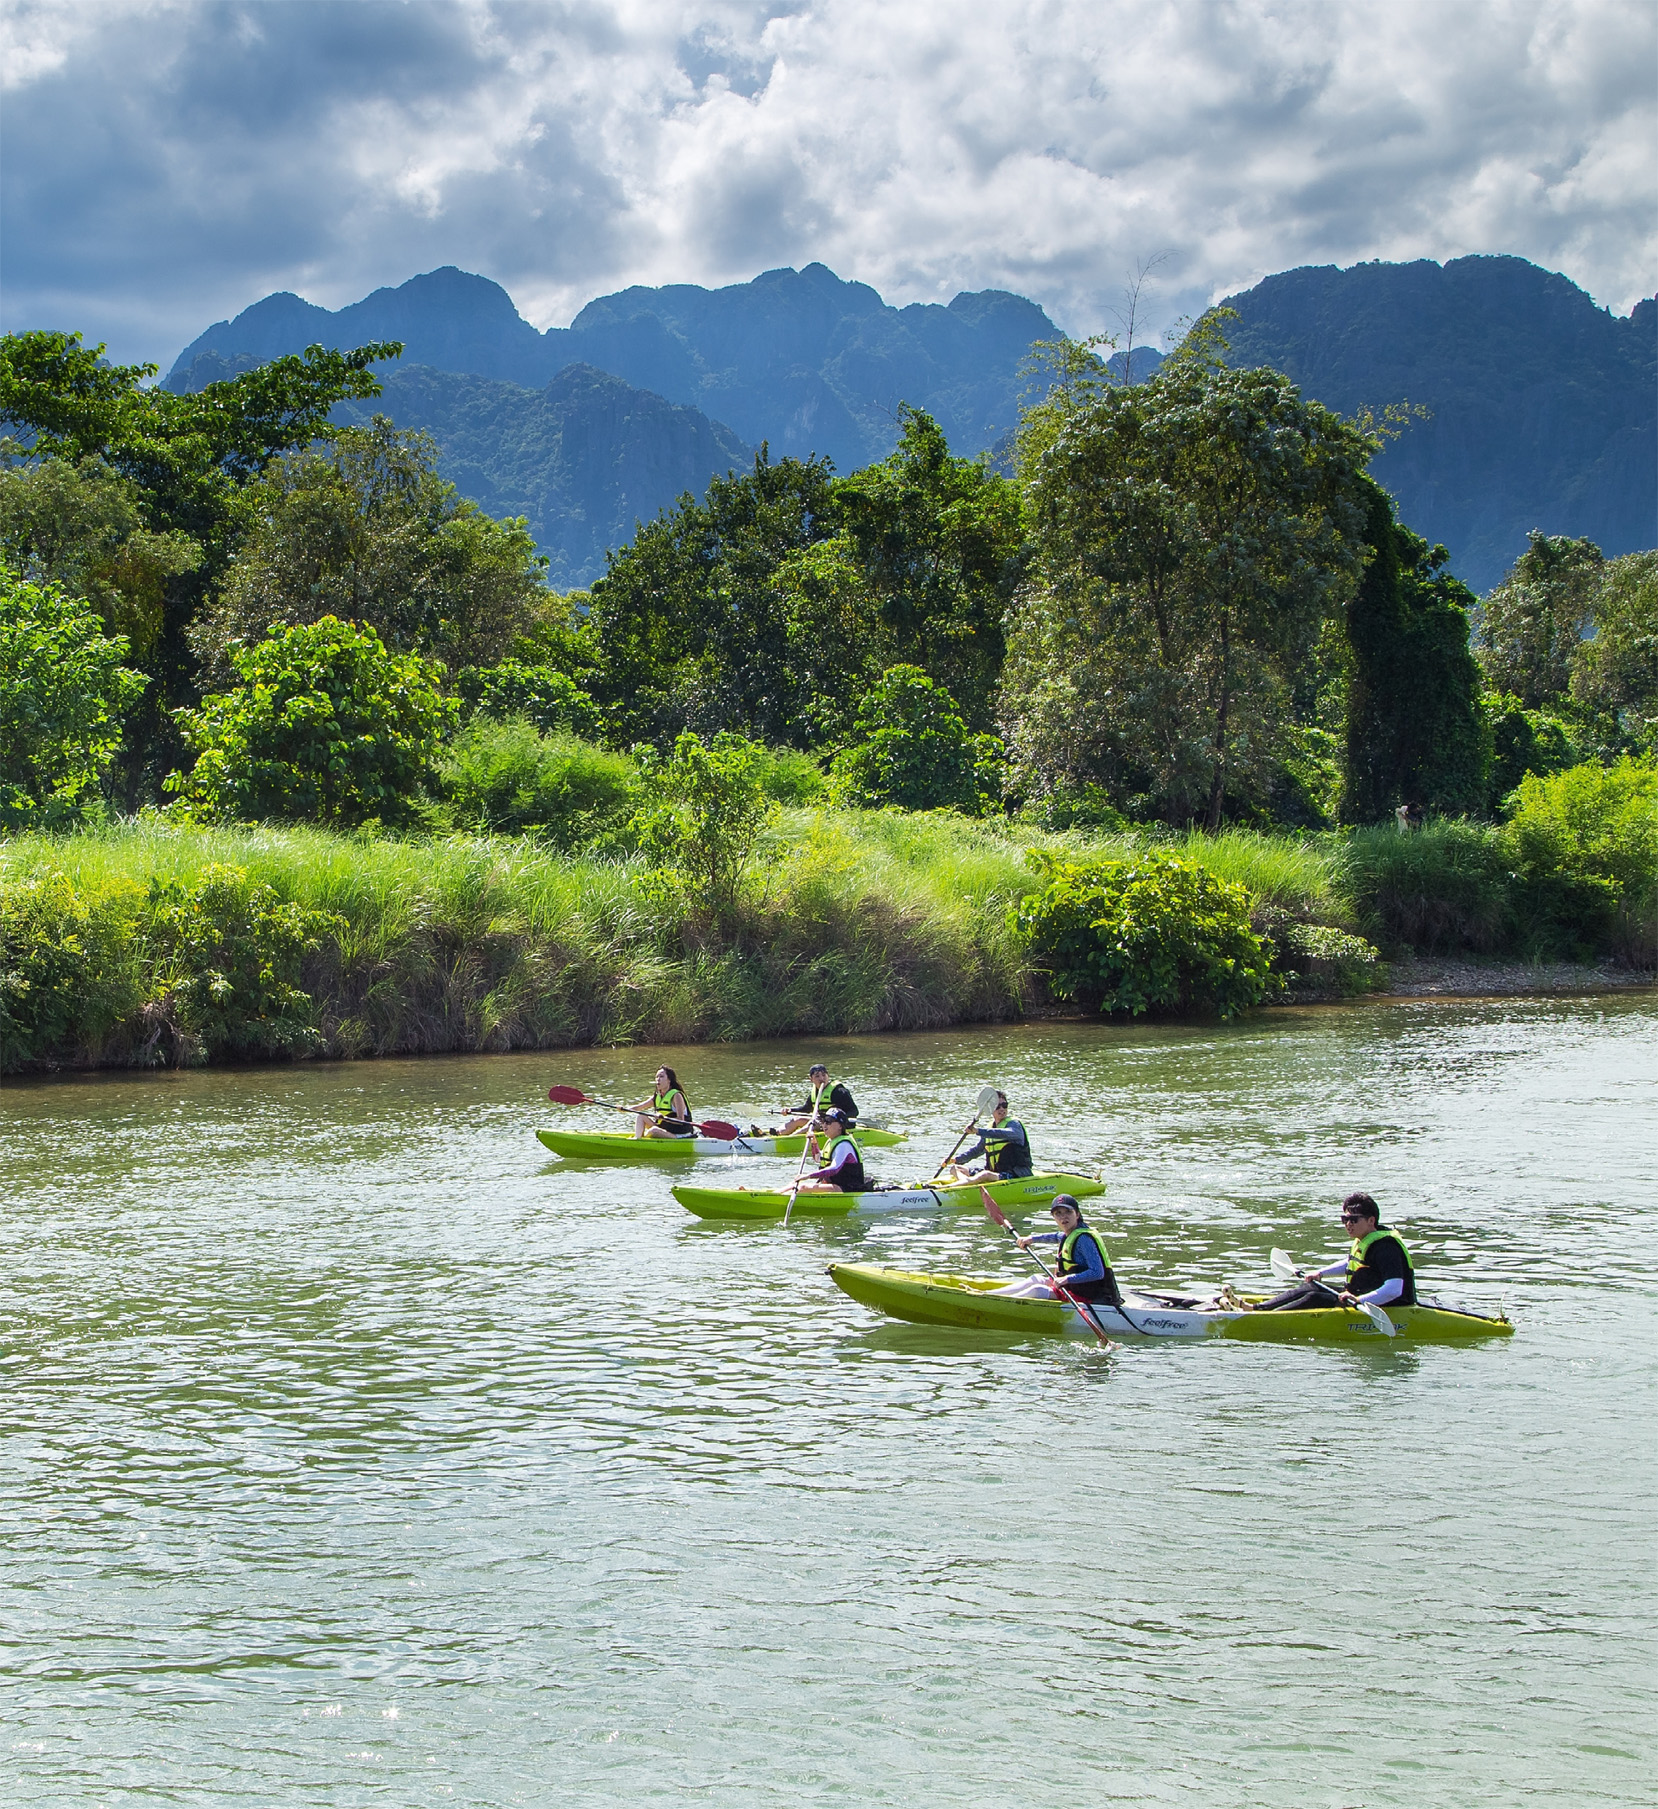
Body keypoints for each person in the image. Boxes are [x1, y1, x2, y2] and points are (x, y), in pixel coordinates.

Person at [1254, 1192, 1416, 1311]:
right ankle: (1257, 1309)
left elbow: (1394, 1289)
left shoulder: (1386, 1247)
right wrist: (1320, 1273)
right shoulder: (1365, 1240)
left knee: (1314, 1298)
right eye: (1345, 1219)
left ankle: (1262, 1318)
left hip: (1391, 1306)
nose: (1348, 1224)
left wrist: (1358, 1299)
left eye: (1353, 1220)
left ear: (1371, 1220)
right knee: (1311, 1287)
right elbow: (1351, 1263)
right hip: (1358, 1297)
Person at [992, 1195, 1122, 1303]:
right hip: (1075, 1289)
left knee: (1038, 1290)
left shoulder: (1084, 1239)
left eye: (1068, 1212)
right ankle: (988, 1295)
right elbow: (1056, 1236)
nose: (1063, 1217)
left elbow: (1097, 1272)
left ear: (1077, 1214)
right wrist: (1032, 1239)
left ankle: (996, 1304)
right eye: (1058, 1213)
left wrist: (1066, 1279)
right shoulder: (1071, 1233)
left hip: (1094, 1298)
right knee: (1036, 1278)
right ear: (1054, 1217)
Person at [948, 1092, 1032, 1180]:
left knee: (986, 1175)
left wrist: (978, 1131)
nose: (1002, 1109)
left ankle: (967, 1183)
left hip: (1015, 1174)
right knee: (955, 1168)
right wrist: (956, 1159)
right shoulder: (990, 1128)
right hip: (995, 1173)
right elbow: (977, 1150)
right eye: (997, 1106)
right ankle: (966, 1184)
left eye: (1004, 1105)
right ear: (991, 1109)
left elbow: (1007, 1133)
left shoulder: (1014, 1124)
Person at [788, 1108, 868, 1193]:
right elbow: (818, 1159)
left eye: (829, 1121)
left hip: (848, 1188)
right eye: (823, 1121)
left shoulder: (844, 1145)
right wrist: (814, 1143)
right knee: (793, 1185)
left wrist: (808, 1176)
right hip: (835, 1185)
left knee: (803, 1187)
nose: (824, 1125)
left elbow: (834, 1169)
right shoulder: (832, 1141)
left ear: (840, 1126)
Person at [780, 1063, 859, 1135]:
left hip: (840, 1125)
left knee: (811, 1124)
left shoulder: (839, 1092)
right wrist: (790, 1110)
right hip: (823, 1122)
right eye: (817, 1076)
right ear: (811, 1079)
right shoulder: (815, 1093)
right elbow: (807, 1108)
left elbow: (854, 1111)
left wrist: (837, 1118)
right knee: (797, 1119)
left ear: (828, 1076)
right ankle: (777, 1133)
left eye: (824, 1075)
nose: (822, 1079)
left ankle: (792, 1137)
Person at [630, 1066, 695, 1139]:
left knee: (654, 1131)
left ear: (669, 1080)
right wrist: (623, 1109)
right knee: (640, 1116)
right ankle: (637, 1138)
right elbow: (639, 1107)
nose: (658, 1079)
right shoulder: (657, 1096)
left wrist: (664, 1118)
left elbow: (681, 1120)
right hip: (666, 1130)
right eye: (657, 1077)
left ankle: (642, 1139)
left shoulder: (676, 1096)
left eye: (661, 1076)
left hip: (681, 1134)